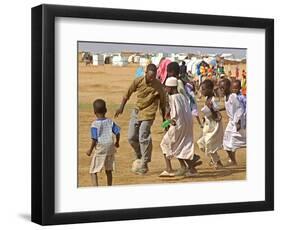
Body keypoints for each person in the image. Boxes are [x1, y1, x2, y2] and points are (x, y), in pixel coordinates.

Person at [115, 64, 166, 175]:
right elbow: (127, 94)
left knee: (143, 136)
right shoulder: (138, 81)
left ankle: (144, 163)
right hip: (137, 111)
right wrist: (121, 108)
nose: (151, 79)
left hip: (149, 113)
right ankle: (139, 155)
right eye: (150, 76)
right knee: (131, 137)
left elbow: (163, 104)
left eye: (154, 76)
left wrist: (164, 121)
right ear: (146, 73)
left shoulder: (159, 86)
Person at [160, 77, 200, 177]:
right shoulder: (182, 96)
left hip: (178, 125)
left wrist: (167, 121)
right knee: (181, 146)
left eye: (166, 87)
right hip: (186, 125)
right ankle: (191, 168)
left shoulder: (172, 97)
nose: (165, 89)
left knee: (166, 144)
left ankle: (170, 169)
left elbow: (174, 116)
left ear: (171, 88)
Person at [86, 99, 120, 186]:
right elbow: (117, 132)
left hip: (101, 148)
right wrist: (117, 142)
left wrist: (90, 150)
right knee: (108, 170)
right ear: (106, 110)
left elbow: (94, 139)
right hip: (110, 147)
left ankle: (96, 189)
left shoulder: (94, 124)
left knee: (93, 171)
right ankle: (109, 186)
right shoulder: (110, 122)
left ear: (94, 112)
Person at [197, 79, 224, 169]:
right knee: (201, 143)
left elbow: (218, 117)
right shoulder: (207, 99)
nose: (202, 91)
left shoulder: (213, 100)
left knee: (209, 143)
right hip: (208, 125)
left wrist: (211, 108)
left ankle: (217, 162)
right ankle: (215, 160)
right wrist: (204, 118)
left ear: (210, 89)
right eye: (201, 89)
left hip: (214, 126)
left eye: (204, 89)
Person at [219, 79, 246, 166]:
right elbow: (228, 107)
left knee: (238, 140)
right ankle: (233, 160)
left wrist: (238, 122)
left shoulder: (233, 97)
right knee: (226, 142)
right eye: (220, 88)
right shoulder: (226, 97)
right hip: (231, 123)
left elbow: (240, 108)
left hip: (238, 122)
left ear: (229, 87)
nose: (221, 89)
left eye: (223, 88)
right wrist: (217, 109)